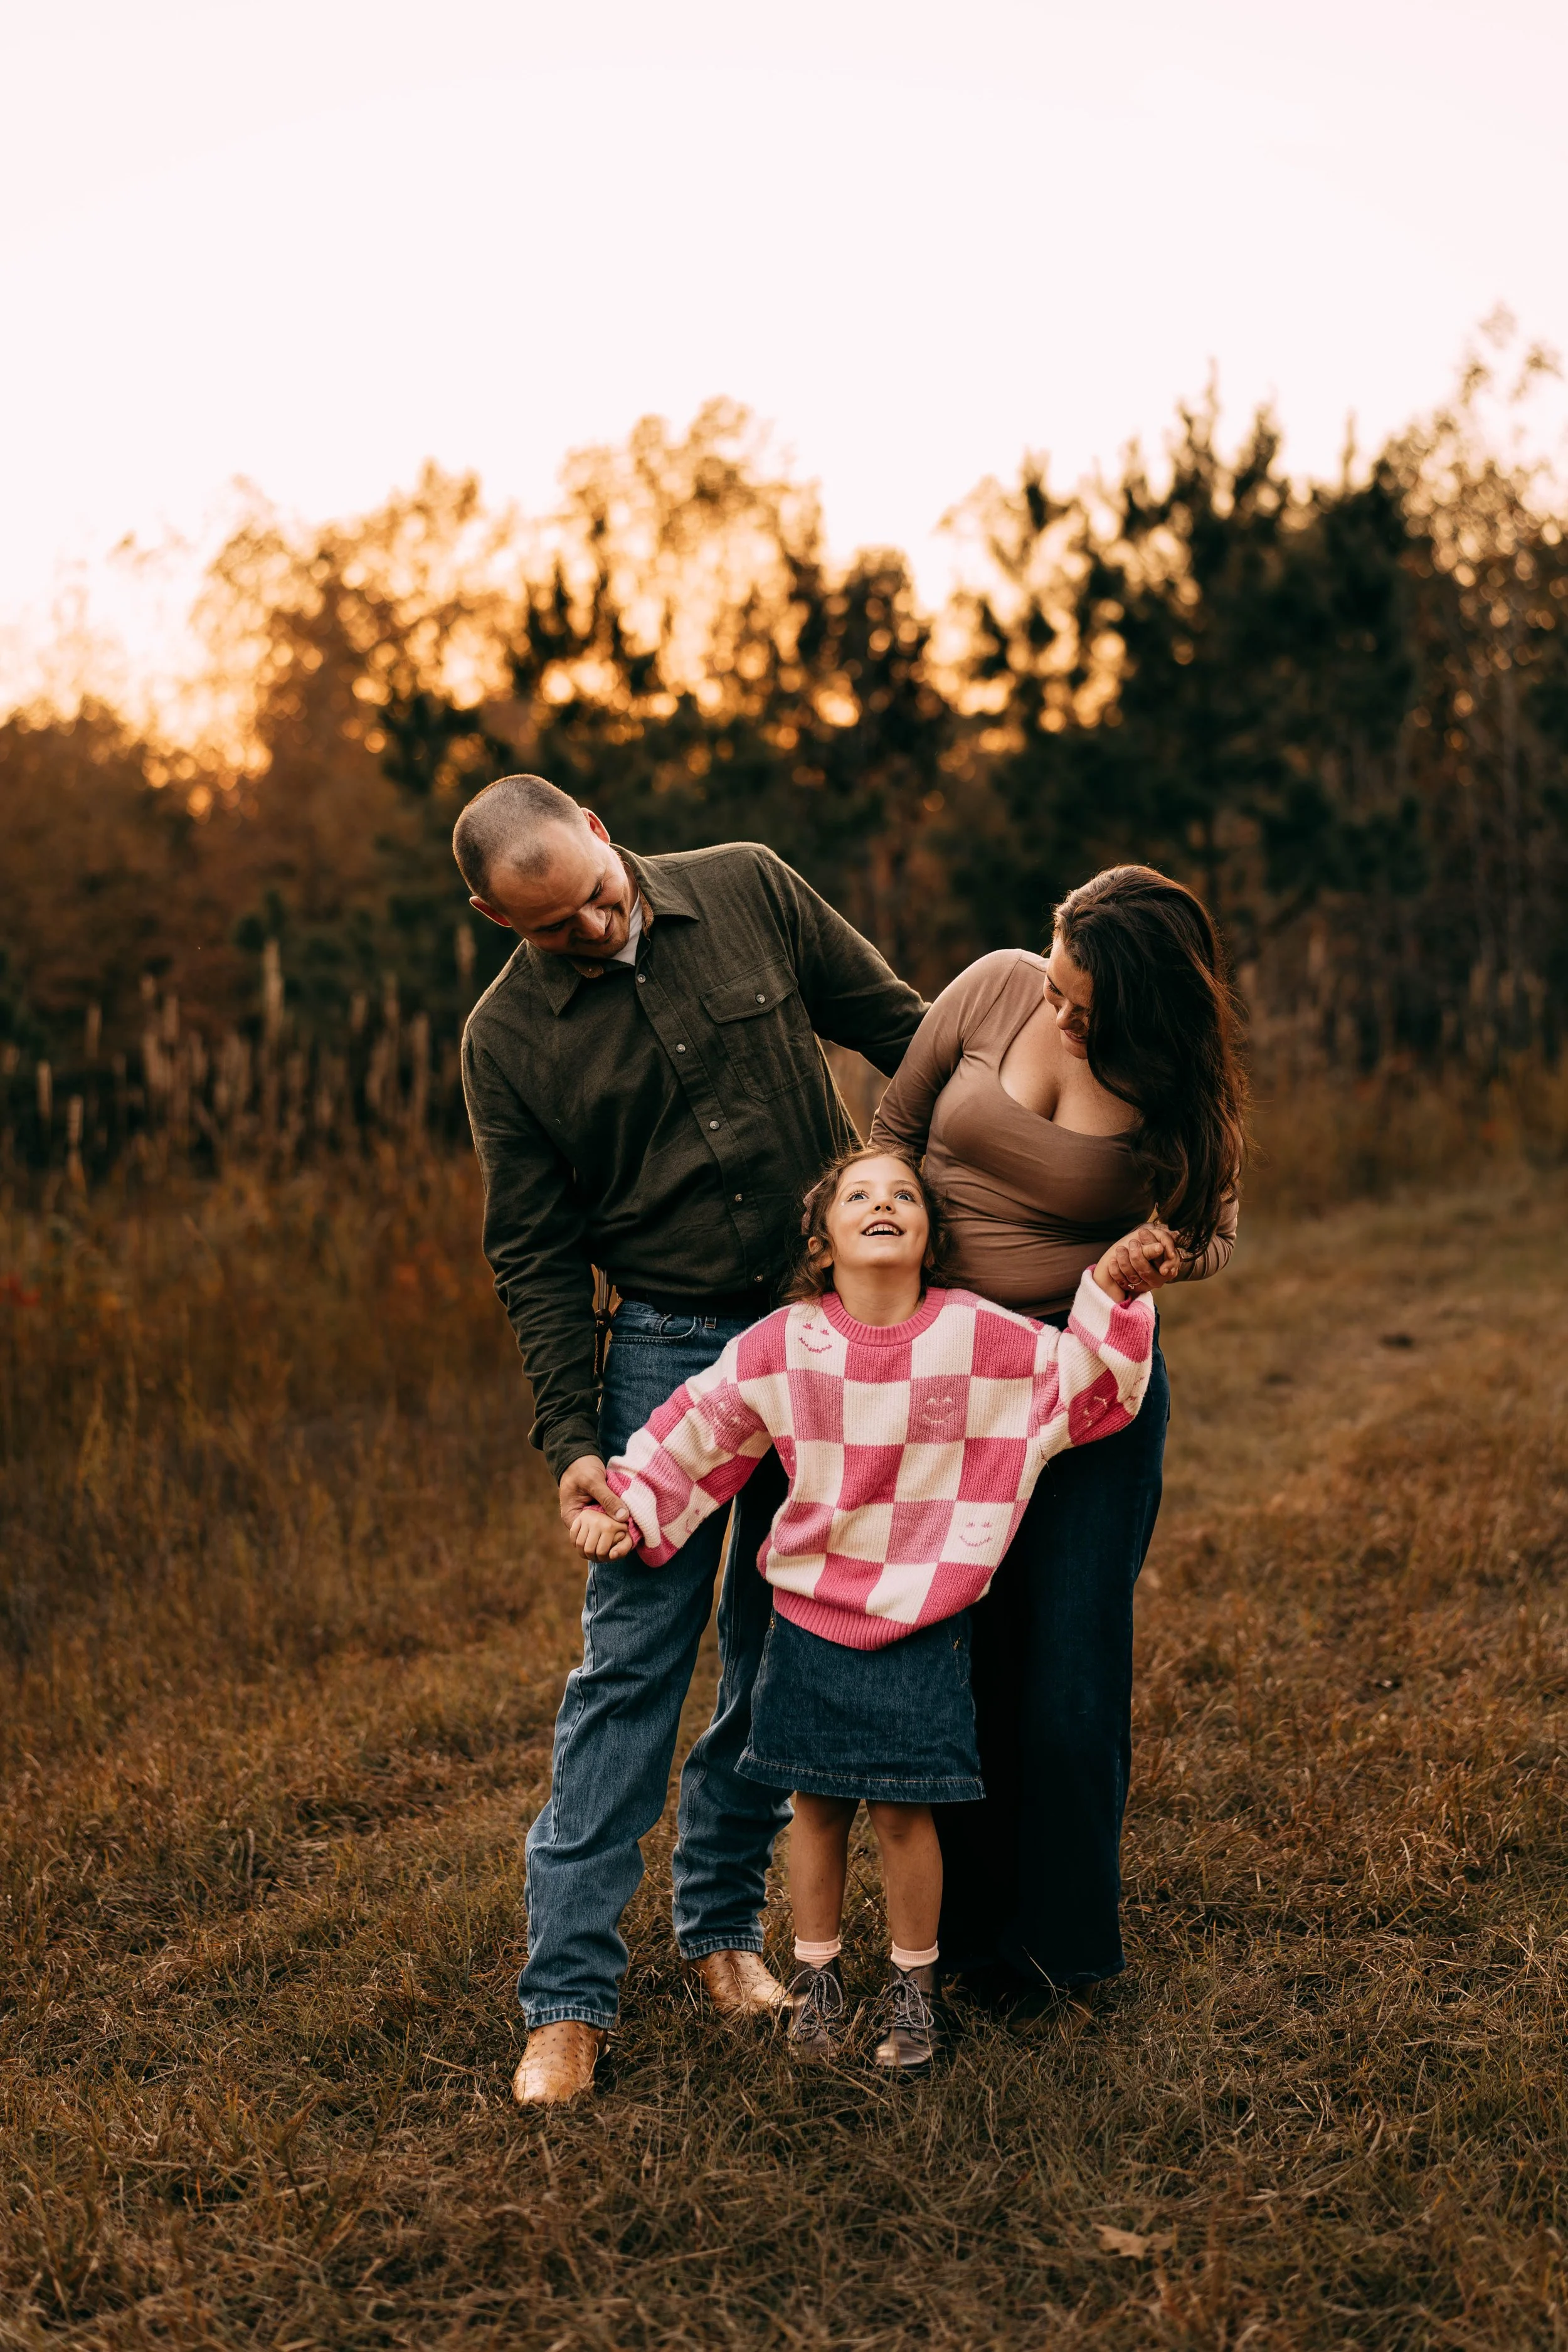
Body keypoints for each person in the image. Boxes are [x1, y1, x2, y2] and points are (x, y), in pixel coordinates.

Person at [454, 773, 926, 2104]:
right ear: (497, 914)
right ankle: (565, 2000)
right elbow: (535, 1255)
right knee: (631, 1666)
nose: (599, 931)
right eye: (556, 930)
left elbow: (907, 1033)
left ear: (601, 831)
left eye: (599, 900)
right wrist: (569, 1438)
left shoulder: (748, 884)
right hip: (661, 1357)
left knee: (776, 1651)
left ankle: (718, 1931)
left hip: (820, 1330)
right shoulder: (504, 1045)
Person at [569, 1146, 1162, 2067]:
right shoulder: (785, 1341)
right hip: (809, 1622)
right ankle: (817, 1984)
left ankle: (912, 1990)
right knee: (816, 1812)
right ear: (821, 1237)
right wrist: (634, 1505)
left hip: (924, 1624)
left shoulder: (973, 1332)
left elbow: (1082, 1385)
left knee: (903, 1817)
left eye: (904, 1195)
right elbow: (703, 1426)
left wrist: (1115, 1289)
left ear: (931, 1236)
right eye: (859, 1195)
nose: (883, 1203)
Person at [869, 864, 1248, 1996]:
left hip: (1084, 1390)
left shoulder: (1172, 1084)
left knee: (1072, 1670)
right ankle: (970, 1944)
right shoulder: (995, 989)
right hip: (946, 1383)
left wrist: (1160, 1258)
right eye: (1061, 984)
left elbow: (1212, 1225)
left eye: (1087, 1005)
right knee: (967, 1655)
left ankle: (1069, 1951)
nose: (1062, 1012)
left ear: (1142, 1006)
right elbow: (891, 1126)